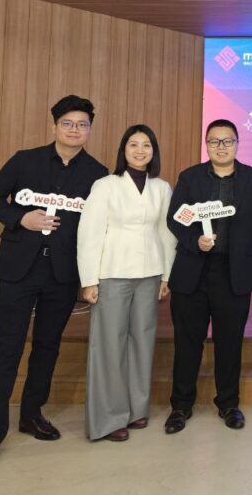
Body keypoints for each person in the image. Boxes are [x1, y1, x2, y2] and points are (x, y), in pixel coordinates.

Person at [0, 95, 108, 474]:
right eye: (68, 123)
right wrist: (20, 218)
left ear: (90, 129)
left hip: (62, 274)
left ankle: (31, 414)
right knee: (6, 349)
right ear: (54, 126)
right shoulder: (25, 160)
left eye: (82, 124)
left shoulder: (98, 174)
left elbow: (98, 226)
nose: (74, 130)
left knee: (47, 347)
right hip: (19, 269)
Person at [164, 119, 252, 433]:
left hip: (233, 272)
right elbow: (175, 219)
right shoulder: (190, 178)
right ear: (206, 145)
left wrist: (240, 240)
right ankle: (181, 406)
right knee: (187, 343)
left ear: (237, 144)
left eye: (227, 141)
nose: (221, 147)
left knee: (230, 342)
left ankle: (228, 404)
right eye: (214, 141)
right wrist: (195, 240)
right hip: (193, 271)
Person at [77, 124, 176, 441]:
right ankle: (108, 419)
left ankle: (136, 409)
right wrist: (89, 280)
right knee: (109, 346)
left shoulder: (161, 188)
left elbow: (166, 234)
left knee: (142, 342)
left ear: (153, 151)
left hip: (150, 274)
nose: (140, 150)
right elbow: (90, 233)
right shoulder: (105, 185)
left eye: (146, 145)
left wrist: (166, 275)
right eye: (133, 144)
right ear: (123, 150)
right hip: (112, 273)